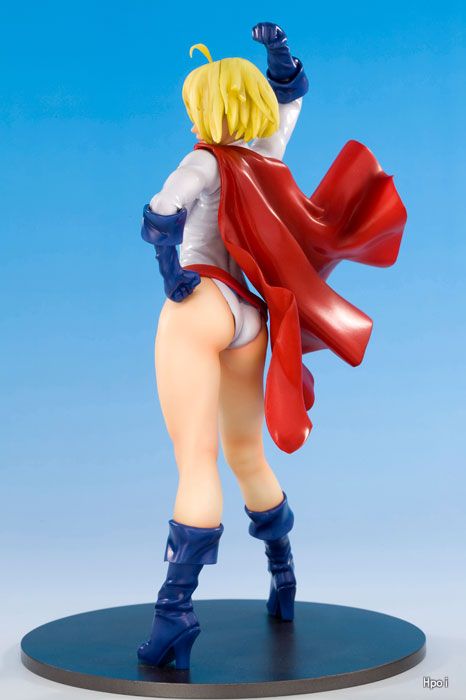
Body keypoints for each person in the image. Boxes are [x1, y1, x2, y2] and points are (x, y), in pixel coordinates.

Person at [138, 22, 406, 669]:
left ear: (211, 108)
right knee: (246, 455)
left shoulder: (205, 160)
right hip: (249, 316)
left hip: (203, 301)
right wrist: (280, 56)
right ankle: (283, 577)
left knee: (196, 461)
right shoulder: (267, 155)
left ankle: (175, 615)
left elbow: (160, 213)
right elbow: (290, 99)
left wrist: (172, 276)